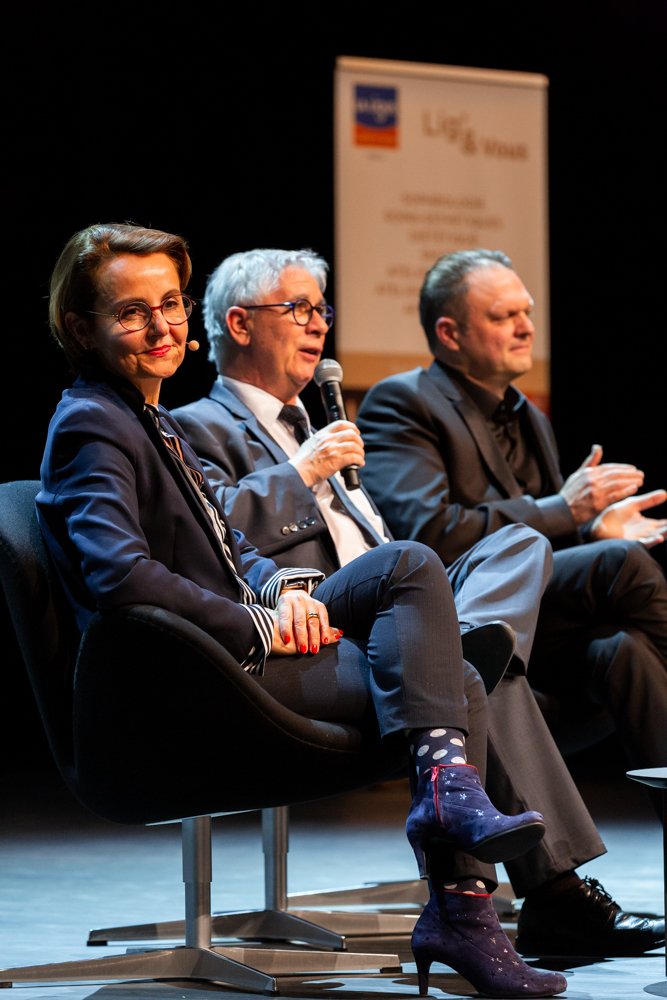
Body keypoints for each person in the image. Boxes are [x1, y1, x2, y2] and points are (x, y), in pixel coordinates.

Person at [36, 223, 566, 999]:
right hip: (191, 674)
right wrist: (260, 622)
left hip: (236, 641)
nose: (161, 327)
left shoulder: (147, 416)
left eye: (171, 304)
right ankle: (460, 900)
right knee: (450, 676)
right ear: (79, 327)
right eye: (132, 312)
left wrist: (283, 590)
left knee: (409, 566)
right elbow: (123, 578)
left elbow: (222, 540)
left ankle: (449, 810)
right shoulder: (92, 422)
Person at [172, 247, 664, 958]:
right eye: (299, 308)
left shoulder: (319, 422)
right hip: (321, 623)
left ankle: (460, 651)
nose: (317, 325)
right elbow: (208, 539)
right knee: (479, 655)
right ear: (240, 324)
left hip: (407, 610)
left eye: (322, 310)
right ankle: (555, 893)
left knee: (518, 547)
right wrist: (302, 469)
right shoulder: (198, 427)